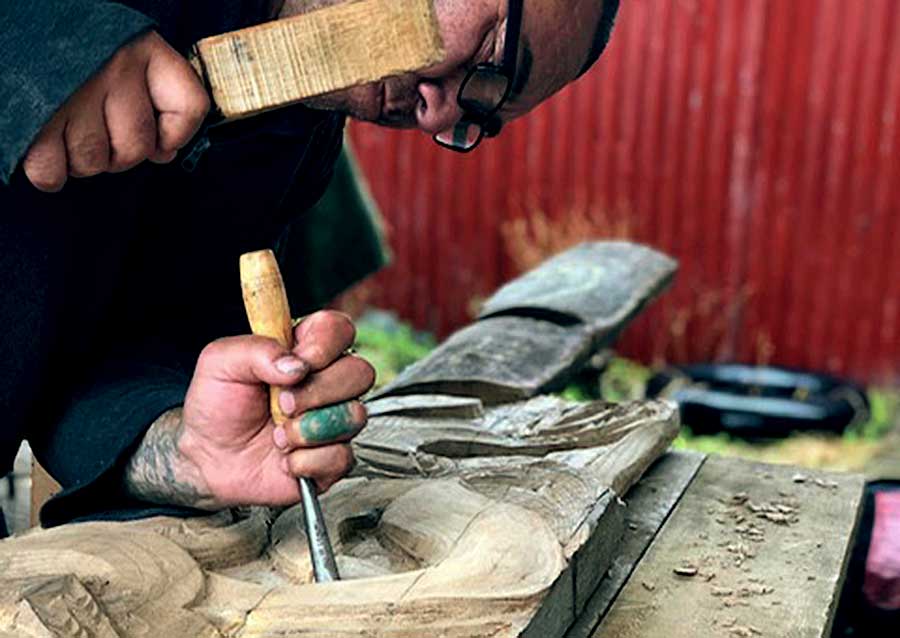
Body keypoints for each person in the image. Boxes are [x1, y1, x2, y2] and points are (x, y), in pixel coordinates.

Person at [0, 0, 619, 536]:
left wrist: (187, 447)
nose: (438, 115)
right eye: (492, 57)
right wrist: (38, 36)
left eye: (480, 115)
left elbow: (88, 372)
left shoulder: (292, 140)